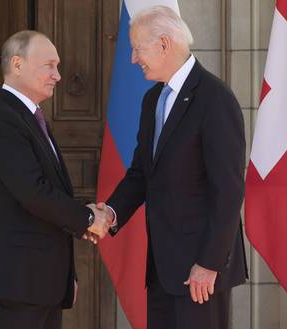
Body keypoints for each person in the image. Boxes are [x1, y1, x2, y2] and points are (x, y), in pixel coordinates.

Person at [95, 6, 248, 329]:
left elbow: (229, 190)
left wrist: (208, 263)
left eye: (137, 48)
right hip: (163, 268)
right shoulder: (153, 100)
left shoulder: (215, 99)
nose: (133, 59)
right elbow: (141, 173)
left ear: (164, 44)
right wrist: (111, 213)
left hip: (200, 271)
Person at [0, 30, 110, 329]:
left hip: (41, 284)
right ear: (18, 64)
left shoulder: (31, 117)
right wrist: (87, 218)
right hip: (15, 284)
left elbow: (47, 194)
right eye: (49, 65)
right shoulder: (1, 120)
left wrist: (65, 274)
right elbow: (33, 192)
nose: (58, 75)